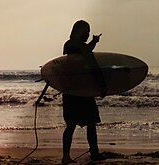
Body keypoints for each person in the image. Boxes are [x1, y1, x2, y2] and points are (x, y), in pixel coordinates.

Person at [62, 20, 107, 164]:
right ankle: (94, 153)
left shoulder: (68, 44)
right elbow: (93, 66)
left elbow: (83, 51)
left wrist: (93, 43)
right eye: (86, 32)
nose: (88, 35)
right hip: (82, 90)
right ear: (80, 32)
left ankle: (66, 156)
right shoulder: (80, 46)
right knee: (91, 122)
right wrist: (102, 85)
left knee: (71, 124)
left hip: (70, 89)